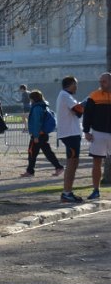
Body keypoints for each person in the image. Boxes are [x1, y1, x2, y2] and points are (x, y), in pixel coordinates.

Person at [80, 72, 111, 201]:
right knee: (96, 162)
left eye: (104, 81)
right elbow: (87, 114)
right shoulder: (94, 96)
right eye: (100, 81)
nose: (101, 84)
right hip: (98, 133)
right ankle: (96, 190)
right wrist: (86, 131)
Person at [23, 90, 64, 177]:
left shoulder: (36, 108)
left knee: (32, 152)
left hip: (38, 134)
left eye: (30, 99)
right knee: (47, 152)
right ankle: (58, 167)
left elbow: (37, 122)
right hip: (43, 134)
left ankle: (30, 171)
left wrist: (36, 136)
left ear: (33, 99)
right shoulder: (43, 106)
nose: (30, 101)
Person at [57, 75, 84, 203]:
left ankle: (68, 192)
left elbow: (77, 112)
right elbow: (78, 110)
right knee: (72, 163)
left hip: (71, 133)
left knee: (73, 162)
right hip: (70, 134)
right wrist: (89, 100)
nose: (77, 87)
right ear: (71, 84)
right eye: (75, 84)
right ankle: (66, 193)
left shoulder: (66, 96)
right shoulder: (65, 95)